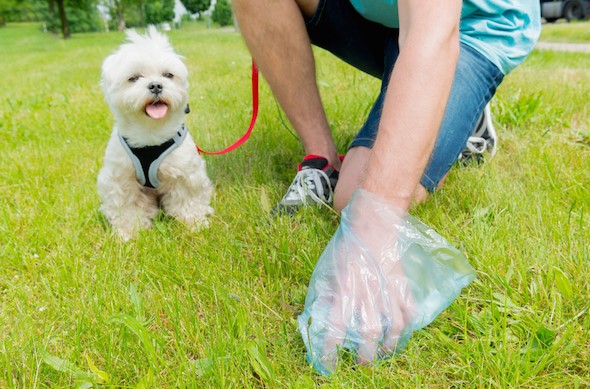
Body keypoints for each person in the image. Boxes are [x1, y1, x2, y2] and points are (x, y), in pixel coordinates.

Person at [233, 0, 541, 374]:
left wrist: (372, 227)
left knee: (354, 195)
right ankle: (321, 157)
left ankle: (459, 104)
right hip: (380, 17)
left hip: (467, 25)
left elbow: (431, 28)